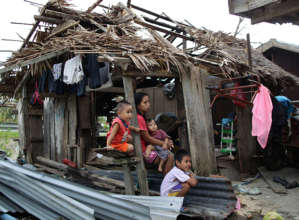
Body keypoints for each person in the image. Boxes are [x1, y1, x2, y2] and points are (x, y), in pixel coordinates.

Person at [134, 92, 174, 175]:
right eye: (145, 102)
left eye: (148, 102)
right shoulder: (139, 118)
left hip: (148, 149)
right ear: (138, 105)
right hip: (144, 152)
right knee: (170, 156)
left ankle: (167, 182)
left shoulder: (141, 118)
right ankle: (168, 183)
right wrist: (164, 143)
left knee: (169, 156)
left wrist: (167, 142)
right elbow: (147, 138)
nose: (148, 104)